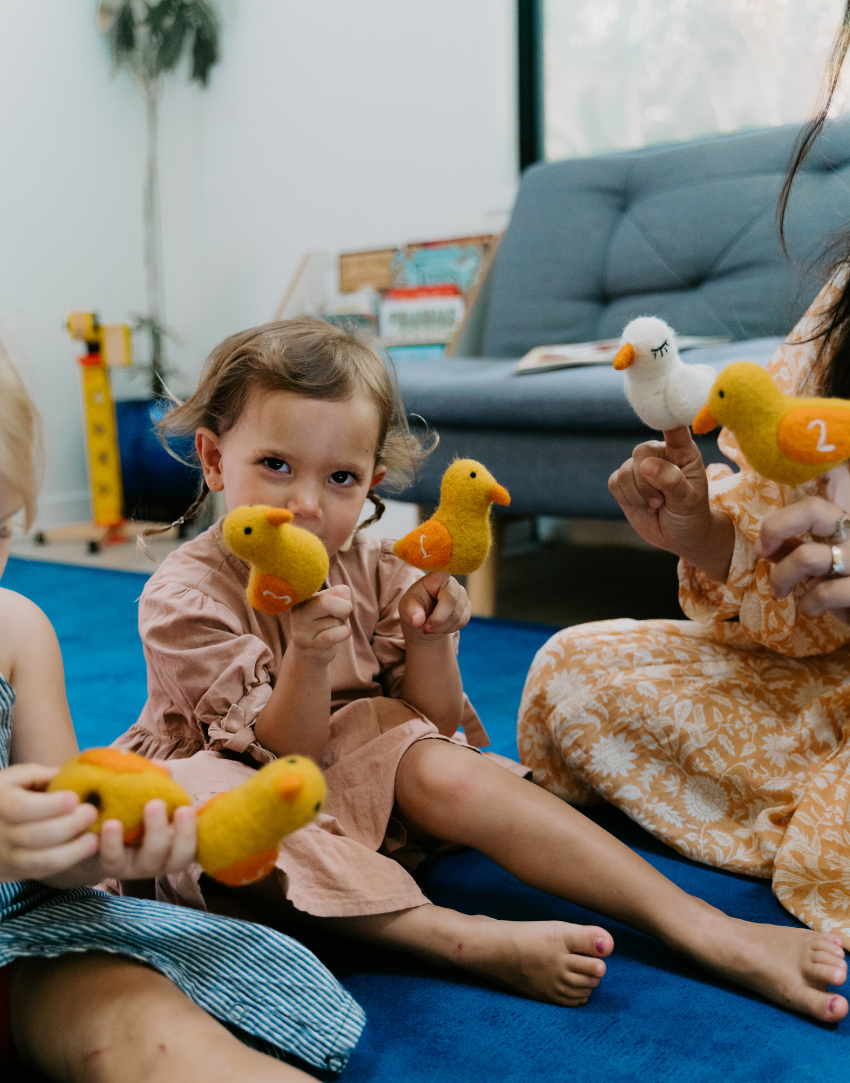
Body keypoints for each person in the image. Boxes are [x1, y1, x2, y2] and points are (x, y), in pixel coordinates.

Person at [113, 317, 848, 1023]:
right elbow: (286, 763)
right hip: (257, 777)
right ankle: (451, 938)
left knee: (442, 765)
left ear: (371, 483)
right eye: (275, 466)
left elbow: (431, 724)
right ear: (214, 459)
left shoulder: (379, 566)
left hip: (365, 775)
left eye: (339, 477)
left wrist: (430, 639)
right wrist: (308, 657)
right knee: (216, 829)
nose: (305, 504)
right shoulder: (184, 598)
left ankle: (701, 926)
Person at [519, 0, 850, 961]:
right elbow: (787, 517)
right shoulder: (844, 305)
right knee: (572, 676)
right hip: (825, 689)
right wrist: (708, 532)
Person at [0, 342, 364, 1083]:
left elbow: (68, 843)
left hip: (22, 943)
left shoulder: (17, 631)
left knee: (160, 1035)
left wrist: (106, 841)